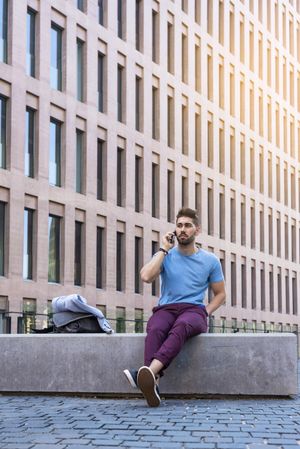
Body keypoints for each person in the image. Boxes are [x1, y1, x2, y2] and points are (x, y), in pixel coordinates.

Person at [123, 208, 226, 407]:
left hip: (194, 310)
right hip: (166, 309)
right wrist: (163, 250)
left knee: (181, 327)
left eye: (188, 225)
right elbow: (145, 276)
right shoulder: (165, 255)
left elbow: (221, 294)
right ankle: (153, 385)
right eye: (179, 225)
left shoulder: (210, 260)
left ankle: (148, 374)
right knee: (155, 329)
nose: (182, 230)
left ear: (197, 230)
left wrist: (206, 312)